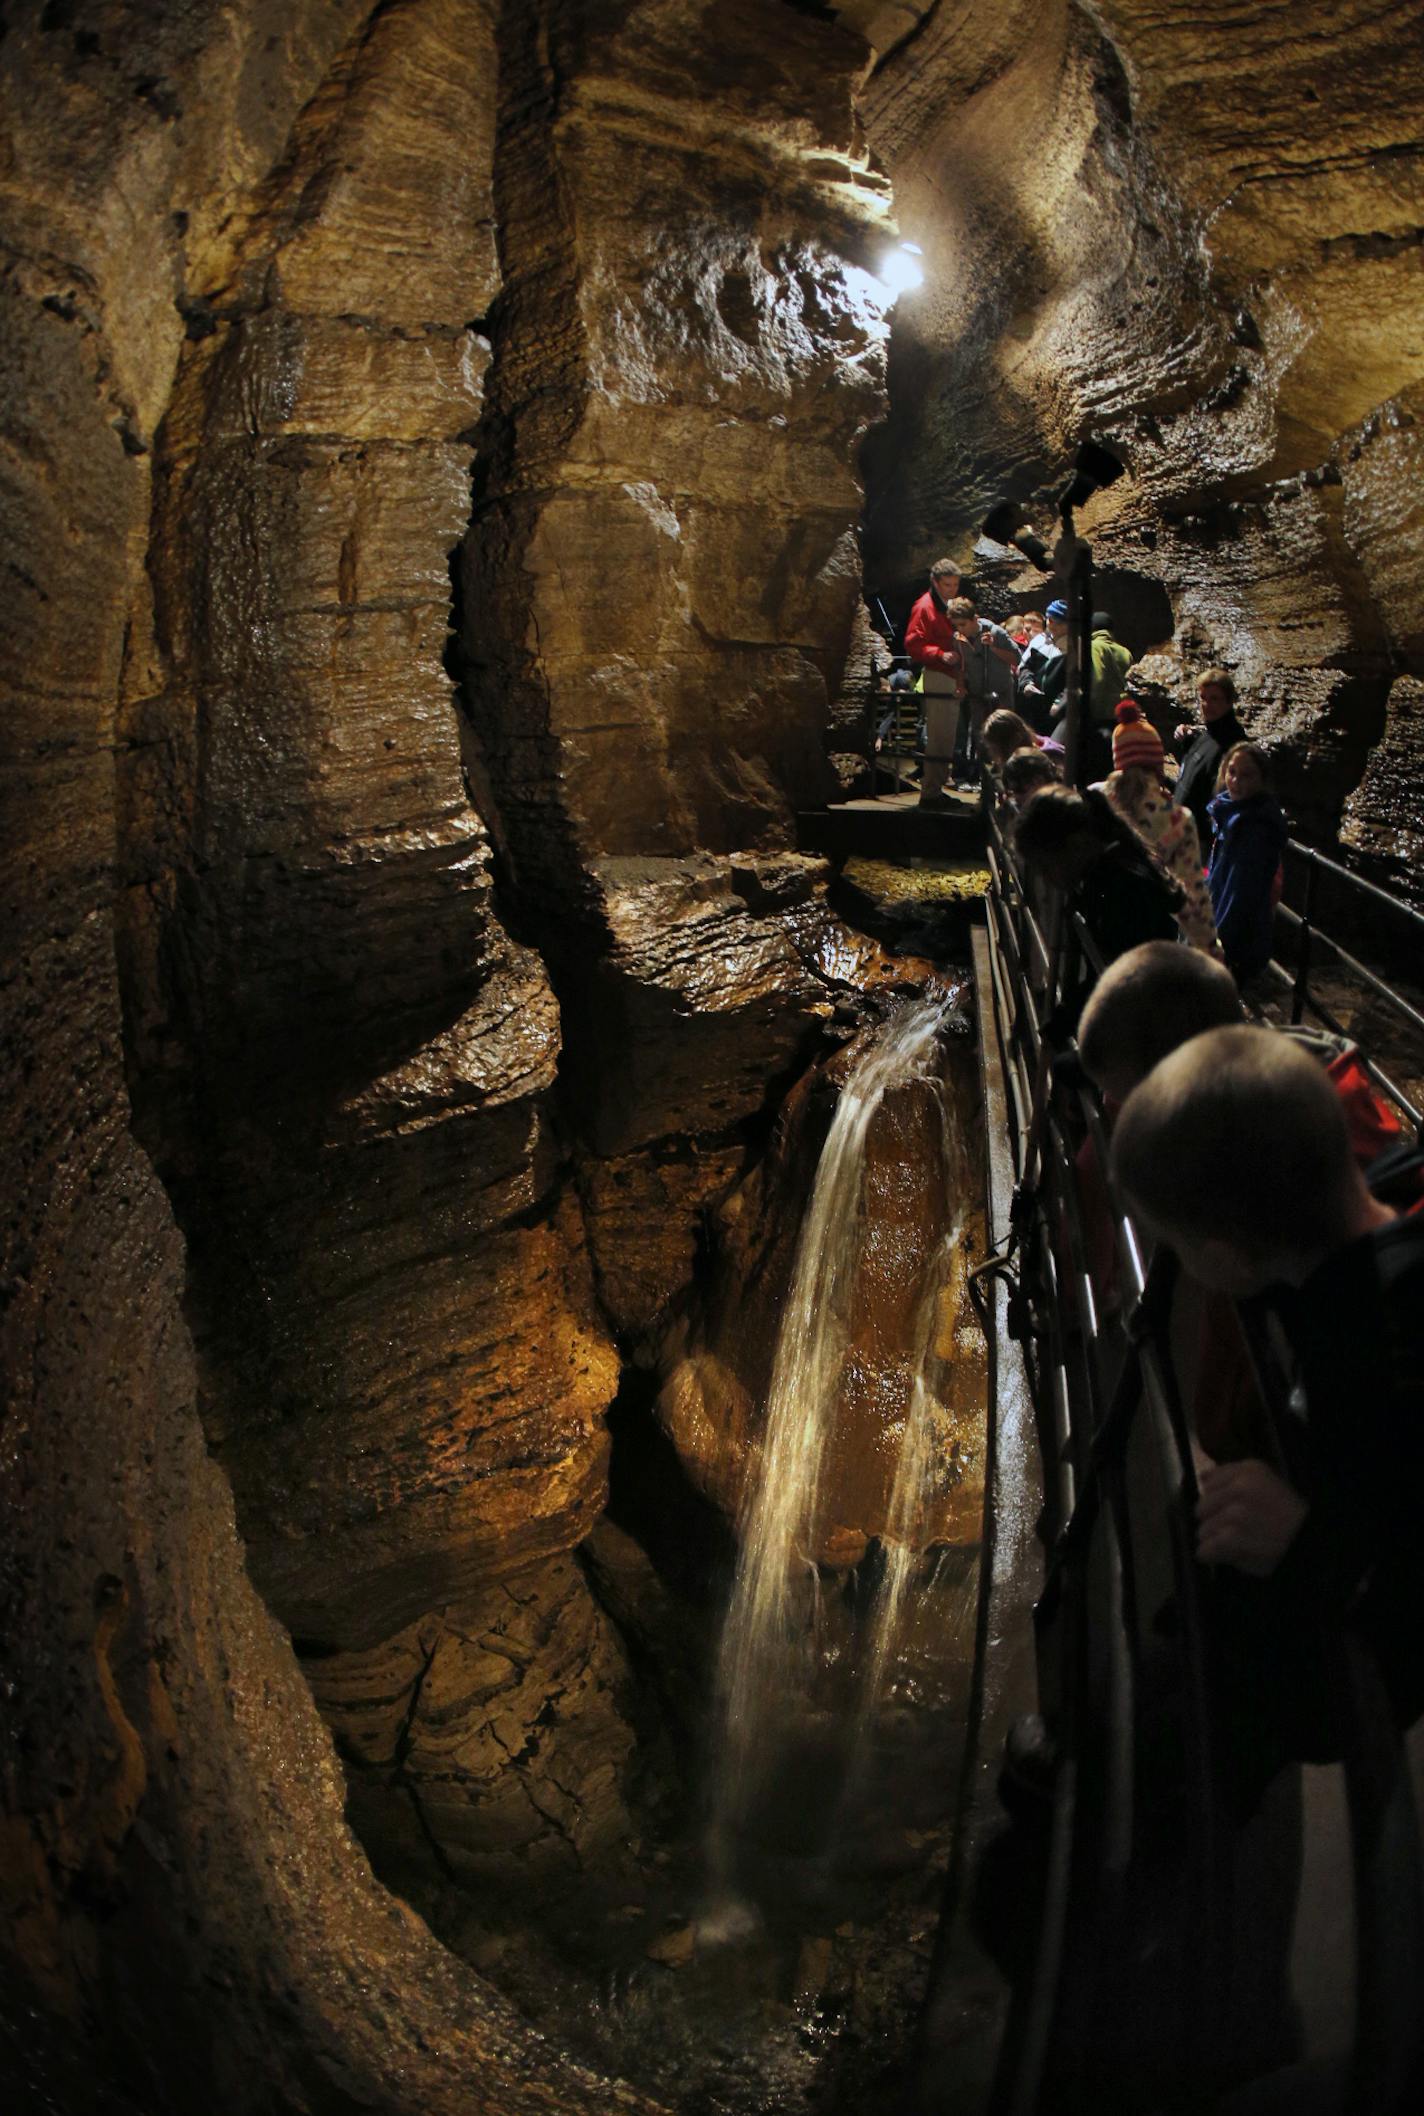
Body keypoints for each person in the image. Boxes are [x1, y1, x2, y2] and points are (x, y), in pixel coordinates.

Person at [1111, 1026, 1424, 1737]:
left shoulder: (1386, 1353)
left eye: (1183, 1249)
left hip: (1351, 1645)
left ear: (1227, 1256)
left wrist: (1307, 1541)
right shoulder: (1363, 1216)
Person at [1013, 782, 1182, 969]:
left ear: (1075, 844)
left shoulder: (1123, 891)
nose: (1046, 878)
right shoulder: (1105, 873)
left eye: (1046, 867)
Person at [1101, 701, 1217, 952]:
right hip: (1151, 936)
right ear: (1157, 762)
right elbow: (1194, 895)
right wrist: (1211, 951)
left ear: (1117, 758)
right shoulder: (1176, 818)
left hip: (1099, 926)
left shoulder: (1097, 801)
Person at [1207, 741, 1287, 982]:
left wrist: (1218, 944)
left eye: (1247, 775)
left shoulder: (1254, 828)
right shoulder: (1230, 813)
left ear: (1262, 780)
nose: (1236, 781)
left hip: (1236, 941)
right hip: (1222, 929)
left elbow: (1240, 893)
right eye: (1232, 772)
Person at [903, 559, 966, 806]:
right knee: (939, 737)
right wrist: (940, 654)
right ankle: (930, 793)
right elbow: (913, 643)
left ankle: (936, 788)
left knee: (946, 737)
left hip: (948, 676)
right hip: (939, 674)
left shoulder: (945, 604)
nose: (952, 590)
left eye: (956, 585)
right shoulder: (925, 607)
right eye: (948, 585)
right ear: (935, 582)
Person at [946, 595, 1020, 780]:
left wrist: (993, 647)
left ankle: (1005, 776)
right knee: (979, 735)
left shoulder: (996, 632)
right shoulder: (959, 639)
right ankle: (981, 778)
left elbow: (1016, 658)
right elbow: (960, 665)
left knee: (1003, 735)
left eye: (963, 624)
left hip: (1001, 694)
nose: (960, 629)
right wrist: (960, 685)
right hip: (977, 694)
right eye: (957, 625)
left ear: (974, 619)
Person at [1173, 668, 1247, 840]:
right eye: (1203, 698)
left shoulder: (1233, 745)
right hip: (1180, 832)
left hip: (1198, 840)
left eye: (1214, 699)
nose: (1206, 705)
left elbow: (1223, 799)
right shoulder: (1206, 735)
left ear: (1229, 702)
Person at [1018, 600, 1067, 725]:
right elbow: (1025, 667)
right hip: (1034, 707)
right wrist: (1026, 683)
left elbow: (1076, 680)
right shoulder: (1039, 641)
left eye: (1059, 622)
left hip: (1059, 712)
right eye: (1050, 620)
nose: (1053, 625)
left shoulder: (1075, 646)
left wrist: (1059, 703)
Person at [981, 707, 1065, 770]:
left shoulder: (1041, 763)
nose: (991, 755)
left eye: (994, 749)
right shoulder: (1035, 742)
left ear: (1012, 741)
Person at [1001, 746, 1061, 811]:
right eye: (1011, 792)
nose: (1015, 797)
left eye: (1019, 790)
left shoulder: (1060, 809)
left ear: (1039, 781)